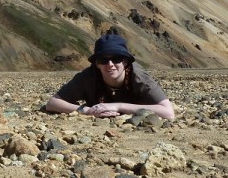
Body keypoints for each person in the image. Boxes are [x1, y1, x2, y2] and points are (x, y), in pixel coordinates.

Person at [45, 34, 175, 120]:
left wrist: (118, 106)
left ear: (125, 61)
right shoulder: (88, 77)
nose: (110, 65)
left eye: (116, 59)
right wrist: (87, 111)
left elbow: (168, 112)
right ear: (96, 64)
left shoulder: (139, 77)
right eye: (103, 60)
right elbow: (52, 103)